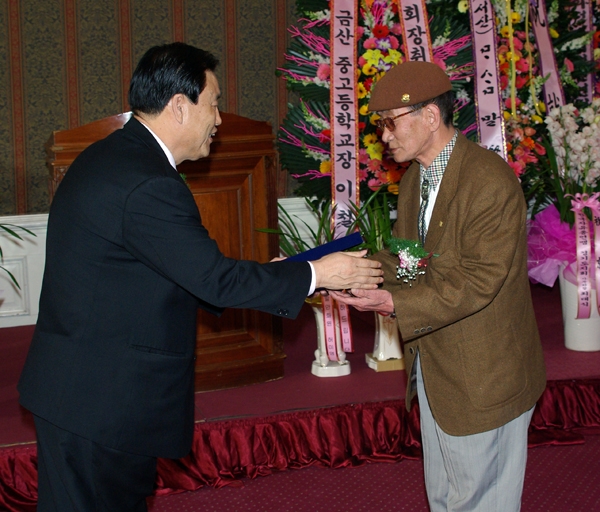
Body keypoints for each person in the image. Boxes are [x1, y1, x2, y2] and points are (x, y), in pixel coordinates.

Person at [17, 42, 383, 512]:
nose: (219, 120)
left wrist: (280, 275)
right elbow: (214, 280)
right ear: (179, 106)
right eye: (213, 104)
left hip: (80, 391)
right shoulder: (148, 182)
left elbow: (172, 269)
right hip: (100, 404)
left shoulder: (114, 156)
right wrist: (318, 273)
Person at [330, 61, 546, 511]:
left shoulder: (488, 180)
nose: (383, 136)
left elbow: (478, 281)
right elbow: (410, 260)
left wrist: (393, 303)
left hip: (484, 376)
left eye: (390, 123)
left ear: (430, 116)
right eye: (380, 125)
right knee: (445, 497)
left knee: (481, 502)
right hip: (437, 369)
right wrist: (344, 270)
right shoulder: (416, 179)